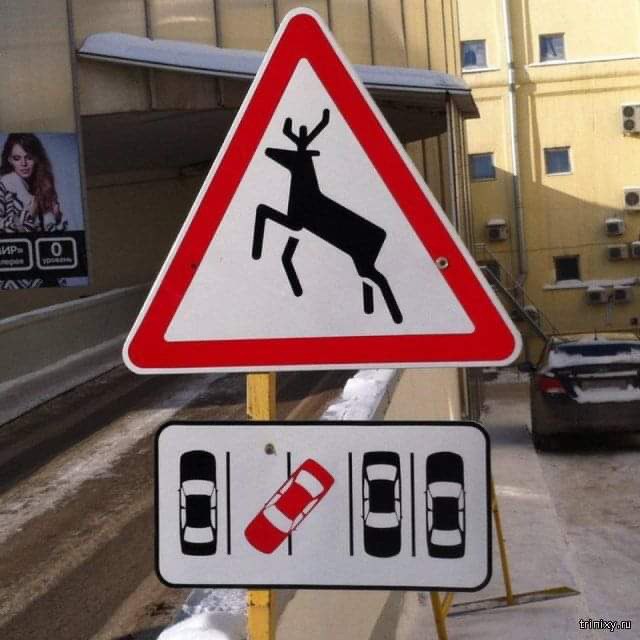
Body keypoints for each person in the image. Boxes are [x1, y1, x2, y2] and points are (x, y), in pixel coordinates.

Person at [0, 133, 67, 288]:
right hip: (16, 277)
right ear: (9, 160)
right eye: (17, 158)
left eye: (29, 157)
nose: (23, 163)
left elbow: (55, 243)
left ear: (36, 158)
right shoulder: (4, 186)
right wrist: (28, 214)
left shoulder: (43, 187)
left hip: (47, 276)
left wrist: (57, 219)